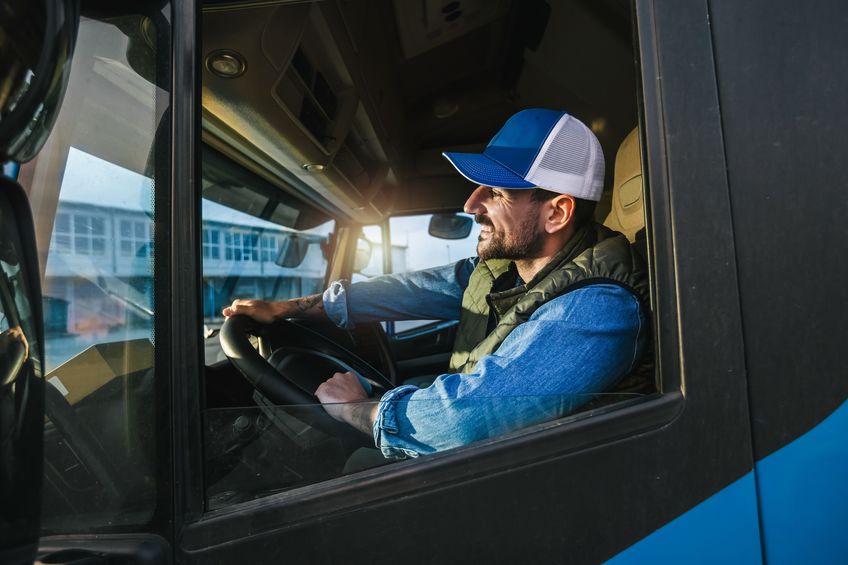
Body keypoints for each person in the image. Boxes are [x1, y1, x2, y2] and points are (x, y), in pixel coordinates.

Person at [224, 109, 650, 459]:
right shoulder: (509, 269)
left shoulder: (597, 307)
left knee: (351, 466)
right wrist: (288, 309)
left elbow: (464, 421)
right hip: (489, 462)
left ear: (556, 213)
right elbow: (413, 290)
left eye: (495, 193)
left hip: (530, 485)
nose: (470, 204)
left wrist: (360, 410)